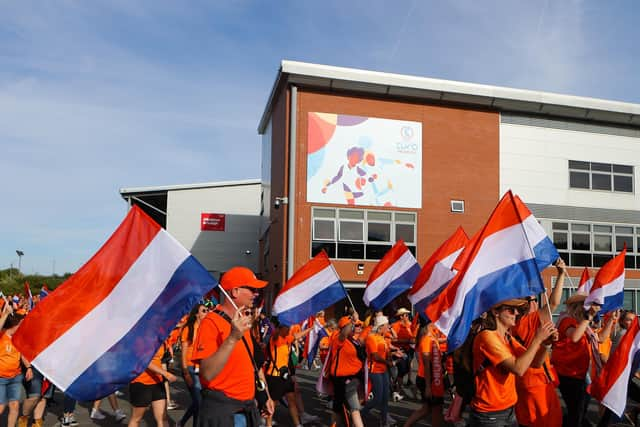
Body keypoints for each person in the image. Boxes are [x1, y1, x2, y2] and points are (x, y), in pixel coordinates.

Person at [192, 266, 274, 427]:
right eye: (252, 289)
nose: (256, 294)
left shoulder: (242, 321)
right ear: (235, 291)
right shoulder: (211, 322)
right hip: (225, 412)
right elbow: (207, 373)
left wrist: (265, 396)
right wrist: (232, 338)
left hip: (247, 408)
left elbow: (254, 366)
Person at [470, 298, 556, 427]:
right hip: (489, 413)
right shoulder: (487, 337)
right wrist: (537, 339)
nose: (516, 313)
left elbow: (536, 363)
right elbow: (518, 369)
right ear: (495, 312)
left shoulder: (507, 337)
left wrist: (545, 344)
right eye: (511, 310)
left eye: (518, 310)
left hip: (509, 408)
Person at [511, 258, 565, 427]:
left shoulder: (509, 325)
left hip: (525, 381)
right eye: (534, 300)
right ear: (526, 305)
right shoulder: (529, 321)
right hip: (536, 382)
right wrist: (561, 274)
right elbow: (554, 303)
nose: (536, 302)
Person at [551, 292, 602, 427]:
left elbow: (600, 339)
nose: (590, 308)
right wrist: (588, 318)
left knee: (580, 408)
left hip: (578, 373)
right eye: (588, 306)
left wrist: (609, 321)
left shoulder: (581, 324)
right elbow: (574, 337)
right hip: (568, 373)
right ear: (579, 307)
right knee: (577, 411)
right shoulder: (567, 320)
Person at [264, 318, 312, 427]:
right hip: (275, 375)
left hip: (285, 375)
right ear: (280, 328)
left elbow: (296, 336)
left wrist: (310, 329)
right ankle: (267, 424)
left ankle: (297, 424)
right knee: (273, 403)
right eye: (287, 328)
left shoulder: (286, 338)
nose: (289, 330)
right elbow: (281, 334)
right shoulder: (275, 339)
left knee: (291, 400)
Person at [403, 322, 444, 427]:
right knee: (436, 409)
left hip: (433, 378)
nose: (437, 324)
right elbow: (426, 365)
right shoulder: (426, 339)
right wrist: (428, 387)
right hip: (428, 379)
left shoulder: (431, 337)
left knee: (428, 409)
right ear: (430, 325)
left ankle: (406, 425)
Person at [128, 341, 176, 427]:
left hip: (158, 382)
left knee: (163, 418)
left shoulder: (162, 338)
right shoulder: (143, 339)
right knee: (136, 419)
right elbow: (144, 361)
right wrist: (165, 374)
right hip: (141, 382)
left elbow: (161, 359)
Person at [328, 316, 365, 427]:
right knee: (353, 408)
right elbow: (343, 334)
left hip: (353, 377)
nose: (355, 327)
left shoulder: (352, 340)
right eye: (354, 325)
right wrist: (351, 321)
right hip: (343, 379)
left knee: (339, 407)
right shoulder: (338, 338)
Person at [177, 303, 208, 427]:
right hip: (190, 367)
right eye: (204, 310)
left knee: (198, 402)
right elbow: (183, 353)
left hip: (202, 368)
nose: (207, 312)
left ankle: (182, 422)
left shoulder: (206, 328)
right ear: (197, 314)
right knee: (199, 402)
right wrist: (185, 373)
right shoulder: (188, 328)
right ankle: (183, 422)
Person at [0, 306, 32, 427]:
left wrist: (28, 367)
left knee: (14, 405)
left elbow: (22, 354)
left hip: (15, 377)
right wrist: (6, 313)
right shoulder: (2, 335)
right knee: (1, 407)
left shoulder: (18, 338)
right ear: (14, 324)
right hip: (1, 378)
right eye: (21, 325)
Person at [361, 315, 393, 427]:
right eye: (386, 325)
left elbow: (385, 353)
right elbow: (375, 356)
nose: (388, 327)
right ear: (380, 327)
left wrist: (392, 355)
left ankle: (384, 422)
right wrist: (387, 362)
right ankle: (360, 414)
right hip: (374, 370)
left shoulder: (382, 337)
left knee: (385, 398)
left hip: (383, 370)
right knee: (378, 398)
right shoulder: (371, 338)